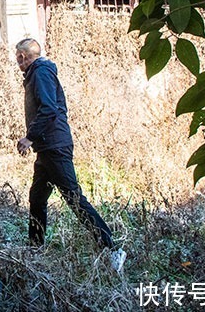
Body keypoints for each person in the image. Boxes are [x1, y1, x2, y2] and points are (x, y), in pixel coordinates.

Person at [15, 38, 126, 270]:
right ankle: (35, 248)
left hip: (54, 147)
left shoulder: (41, 72)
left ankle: (112, 249)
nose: (17, 62)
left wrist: (29, 137)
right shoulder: (37, 73)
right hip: (46, 149)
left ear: (24, 56)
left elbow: (49, 108)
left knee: (74, 199)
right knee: (37, 198)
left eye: (18, 57)